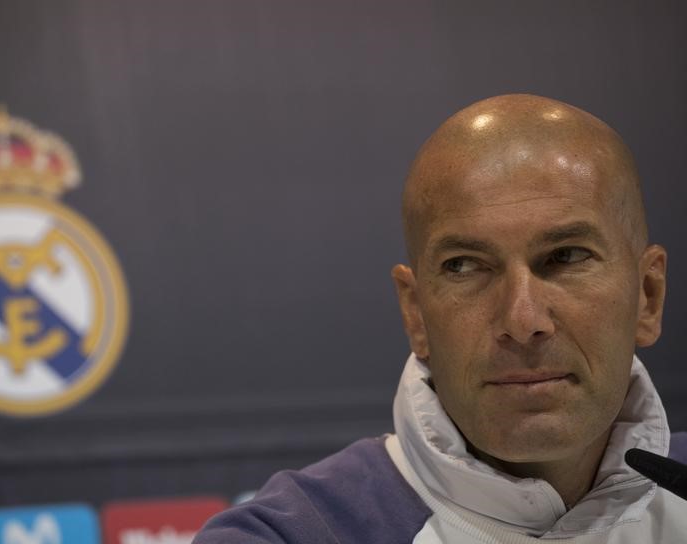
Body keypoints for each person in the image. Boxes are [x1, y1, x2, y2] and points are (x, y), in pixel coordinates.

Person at [193, 94, 687, 542]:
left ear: (648, 294)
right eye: (465, 266)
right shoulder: (289, 535)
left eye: (567, 256)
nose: (522, 318)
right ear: (415, 312)